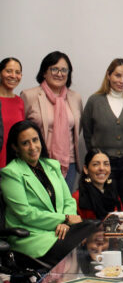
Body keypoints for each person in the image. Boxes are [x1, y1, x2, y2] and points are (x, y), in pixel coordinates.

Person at [0, 120, 94, 266]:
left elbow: (68, 200)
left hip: (62, 231)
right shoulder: (11, 173)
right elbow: (26, 214)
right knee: (83, 247)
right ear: (15, 147)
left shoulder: (51, 165)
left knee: (94, 228)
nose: (33, 147)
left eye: (35, 140)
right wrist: (65, 218)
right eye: (25, 143)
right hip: (34, 237)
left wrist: (66, 222)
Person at [82, 58, 123, 210]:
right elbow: (88, 132)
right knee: (105, 204)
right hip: (103, 163)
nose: (122, 81)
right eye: (117, 75)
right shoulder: (94, 101)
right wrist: (98, 156)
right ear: (109, 75)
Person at [21, 51, 83, 191]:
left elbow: (76, 130)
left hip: (69, 163)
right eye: (54, 69)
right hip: (38, 161)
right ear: (44, 72)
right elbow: (21, 131)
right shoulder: (29, 95)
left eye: (64, 70)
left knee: (64, 207)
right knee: (44, 206)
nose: (59, 74)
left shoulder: (75, 98)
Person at [72, 149, 122, 220]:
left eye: (106, 164)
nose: (102, 168)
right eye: (96, 164)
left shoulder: (113, 194)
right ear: (86, 169)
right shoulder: (76, 198)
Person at [0, 57, 25, 168]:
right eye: (9, 71)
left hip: (14, 163)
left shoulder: (19, 101)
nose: (13, 76)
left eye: (17, 72)